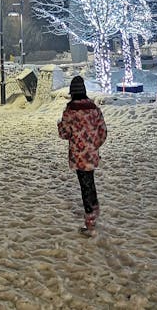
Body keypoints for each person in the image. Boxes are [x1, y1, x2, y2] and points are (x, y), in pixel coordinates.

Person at [58, 75, 107, 236]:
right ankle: (94, 209)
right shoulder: (94, 109)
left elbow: (64, 133)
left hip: (79, 155)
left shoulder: (70, 111)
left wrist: (60, 125)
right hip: (91, 154)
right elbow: (103, 132)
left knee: (85, 186)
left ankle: (91, 220)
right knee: (89, 183)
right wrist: (94, 145)